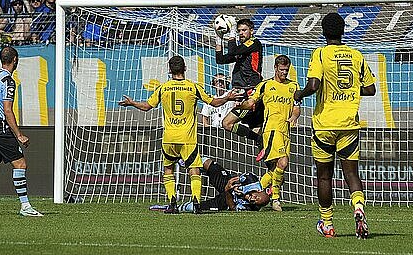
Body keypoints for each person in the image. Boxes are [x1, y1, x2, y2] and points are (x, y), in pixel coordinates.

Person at [118, 56, 241, 213]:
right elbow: (213, 102)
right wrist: (227, 97)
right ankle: (196, 202)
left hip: (169, 138)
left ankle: (172, 203)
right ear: (185, 68)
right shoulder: (193, 87)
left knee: (168, 169)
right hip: (188, 138)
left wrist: (132, 103)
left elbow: (147, 106)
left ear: (169, 70)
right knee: (194, 169)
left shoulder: (164, 88)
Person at [294, 12, 376, 238]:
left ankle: (327, 223)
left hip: (325, 124)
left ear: (323, 32)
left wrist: (299, 94)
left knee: (324, 176)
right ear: (343, 31)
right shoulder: (356, 55)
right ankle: (358, 208)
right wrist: (347, 90)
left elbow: (313, 85)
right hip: (349, 124)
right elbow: (370, 89)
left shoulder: (321, 53)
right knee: (351, 174)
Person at [0, 46, 43, 216]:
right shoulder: (8, 81)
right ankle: (25, 207)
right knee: (20, 164)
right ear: (15, 60)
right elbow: (8, 110)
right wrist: (19, 135)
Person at [235, 55, 300, 211]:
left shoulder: (294, 86)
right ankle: (275, 198)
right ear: (276, 68)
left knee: (277, 168)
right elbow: (251, 102)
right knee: (283, 162)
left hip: (285, 131)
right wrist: (240, 105)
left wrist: (294, 116)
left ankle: (245, 193)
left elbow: (297, 107)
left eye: (287, 70)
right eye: (282, 70)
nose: (284, 73)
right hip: (271, 129)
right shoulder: (266, 85)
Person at [215, 18, 265, 158]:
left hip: (251, 93)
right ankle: (262, 143)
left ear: (251, 31)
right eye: (239, 31)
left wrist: (231, 33)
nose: (241, 33)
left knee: (227, 123)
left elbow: (232, 51)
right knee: (255, 128)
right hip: (243, 92)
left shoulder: (253, 43)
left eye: (244, 30)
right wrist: (218, 39)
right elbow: (221, 60)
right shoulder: (242, 50)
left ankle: (260, 141)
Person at [150, 157, 270, 213]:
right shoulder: (253, 181)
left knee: (195, 208)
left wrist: (228, 191)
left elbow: (233, 208)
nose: (253, 199)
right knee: (209, 164)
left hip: (225, 201)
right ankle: (188, 162)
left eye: (255, 202)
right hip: (227, 182)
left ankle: (171, 207)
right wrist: (234, 184)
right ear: (258, 191)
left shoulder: (251, 208)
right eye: (256, 197)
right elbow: (241, 177)